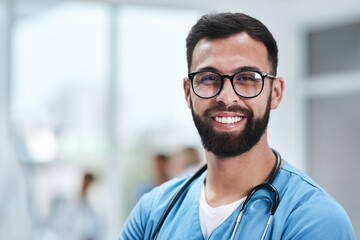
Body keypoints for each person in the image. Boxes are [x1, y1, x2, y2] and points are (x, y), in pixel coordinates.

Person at [118, 13, 355, 239]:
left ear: (276, 93)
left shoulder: (314, 219)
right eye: (209, 78)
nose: (227, 97)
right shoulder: (152, 212)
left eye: (247, 78)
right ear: (189, 93)